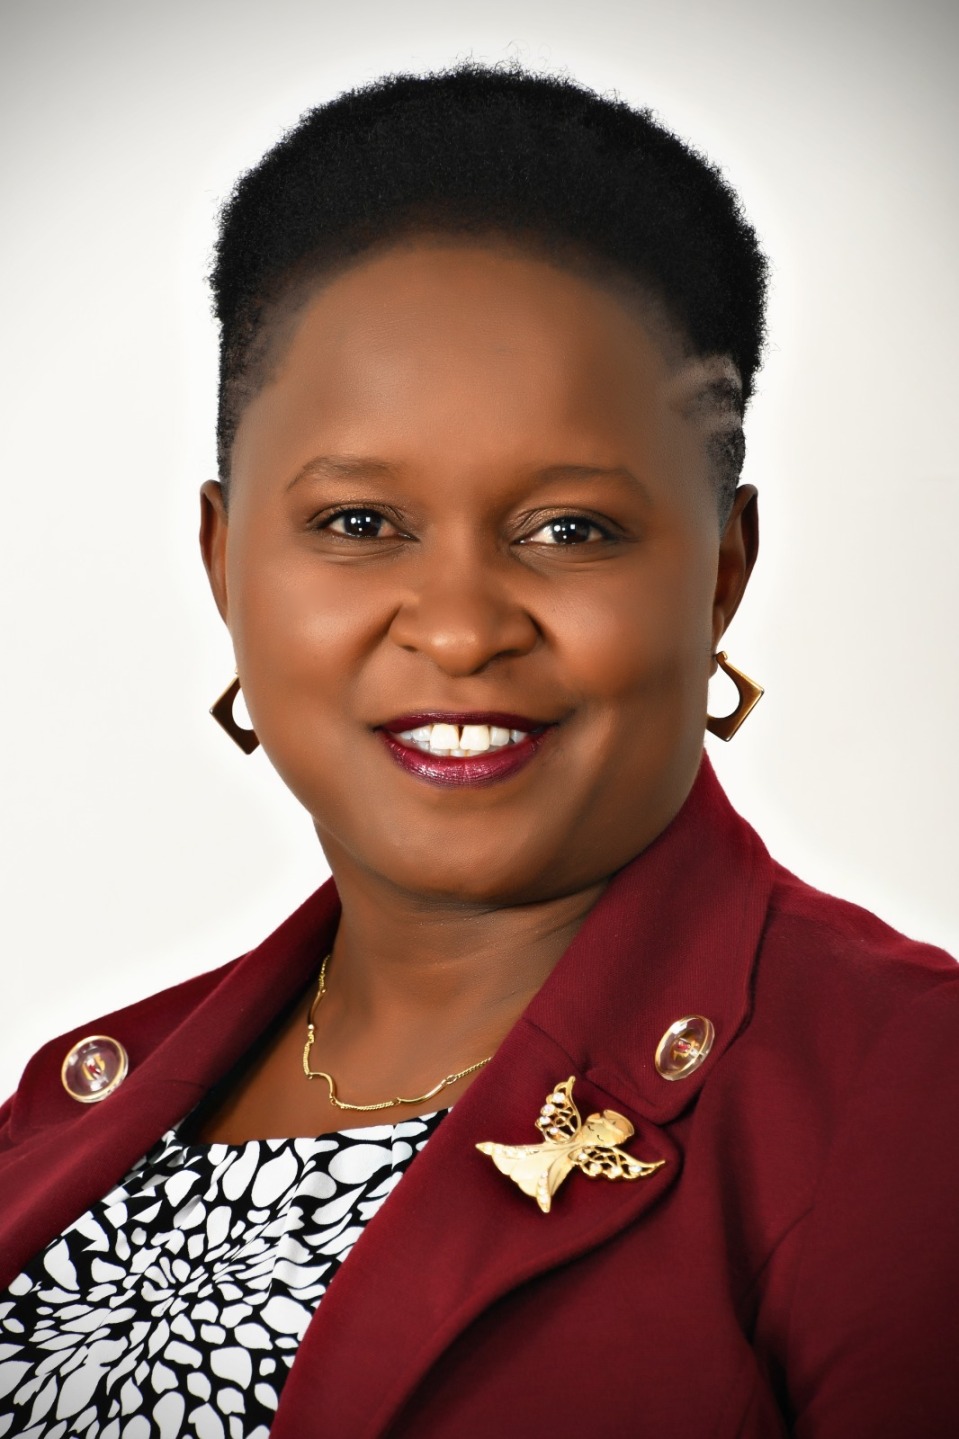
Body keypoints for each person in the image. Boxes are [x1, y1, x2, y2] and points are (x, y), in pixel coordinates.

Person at [1, 62, 956, 1439]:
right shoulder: (70, 1109)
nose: (457, 629)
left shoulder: (909, 1092)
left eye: (569, 529)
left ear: (721, 572)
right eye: (358, 524)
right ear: (224, 561)